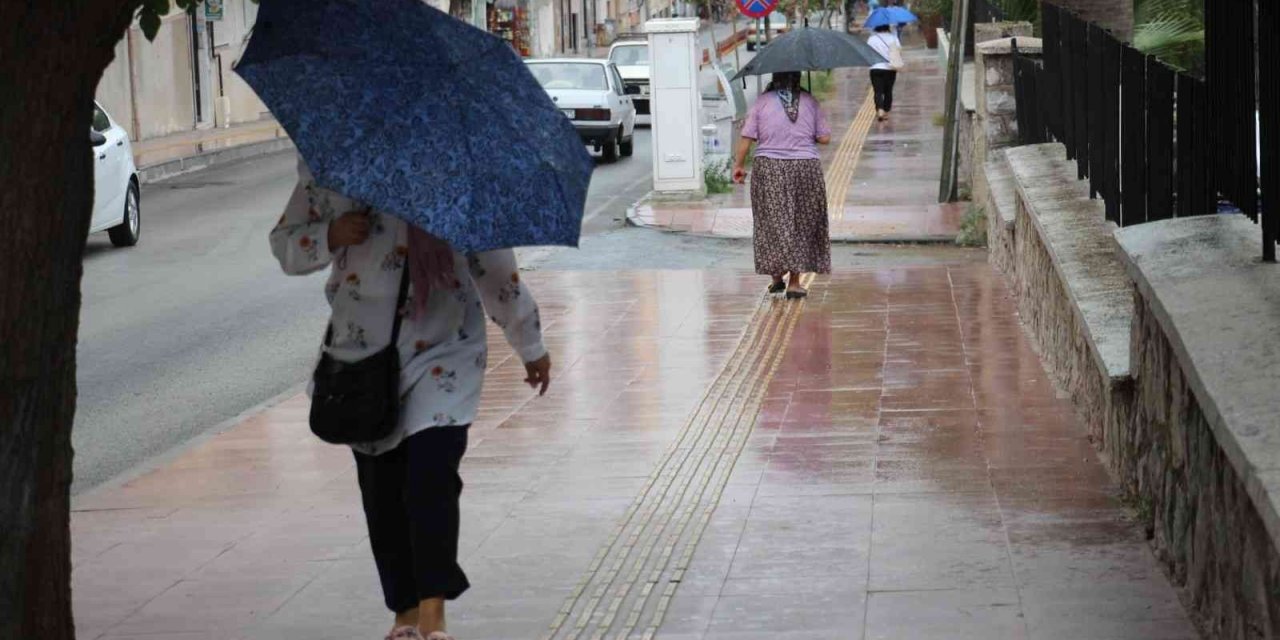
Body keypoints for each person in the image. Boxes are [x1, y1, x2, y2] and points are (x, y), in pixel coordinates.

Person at [270, 159, 552, 640]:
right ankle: (404, 611)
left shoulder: (459, 171)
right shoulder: (332, 168)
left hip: (446, 345)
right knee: (382, 490)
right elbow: (286, 245)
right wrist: (331, 234)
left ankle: (432, 612)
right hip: (364, 353)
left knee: (431, 477)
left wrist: (530, 343)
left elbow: (494, 267)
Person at [731, 71, 832, 299]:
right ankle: (794, 283)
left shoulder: (762, 102)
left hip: (769, 168)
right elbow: (825, 138)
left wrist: (738, 166)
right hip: (806, 168)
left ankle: (776, 276)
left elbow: (747, 138)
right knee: (800, 223)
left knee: (771, 222)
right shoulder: (810, 101)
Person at [867, 23, 901, 121]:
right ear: (887, 27)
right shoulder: (893, 38)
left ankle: (880, 110)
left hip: (875, 68)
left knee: (877, 91)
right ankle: (886, 111)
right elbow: (898, 50)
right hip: (890, 68)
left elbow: (867, 52)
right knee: (888, 91)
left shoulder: (871, 39)